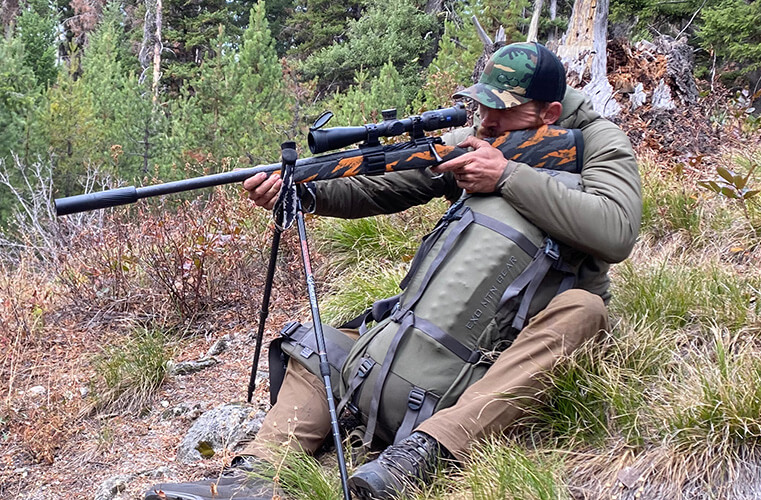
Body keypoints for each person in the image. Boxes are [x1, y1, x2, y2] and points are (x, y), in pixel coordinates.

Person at [143, 42, 642, 500]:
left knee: (585, 310)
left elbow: (616, 230)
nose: (485, 121)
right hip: (428, 338)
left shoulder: (597, 142)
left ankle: (421, 454)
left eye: (502, 110)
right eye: (481, 105)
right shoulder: (479, 137)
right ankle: (255, 477)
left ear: (549, 113)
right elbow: (382, 183)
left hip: (502, 350)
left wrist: (507, 175)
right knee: (319, 344)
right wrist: (305, 190)